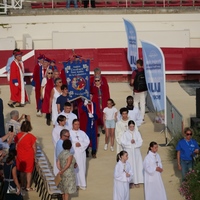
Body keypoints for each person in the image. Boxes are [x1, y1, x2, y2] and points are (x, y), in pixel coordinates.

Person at [14, 120, 37, 191]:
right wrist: (35, 155)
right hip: (29, 156)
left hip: (20, 155)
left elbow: (16, 146)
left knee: (22, 171)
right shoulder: (31, 137)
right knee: (29, 172)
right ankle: (28, 186)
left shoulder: (18, 135)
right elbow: (34, 148)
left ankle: (22, 185)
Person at [120, 120, 143, 188]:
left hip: (136, 151)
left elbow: (140, 141)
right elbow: (123, 142)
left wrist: (135, 143)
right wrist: (130, 142)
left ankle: (137, 181)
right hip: (129, 151)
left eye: (133, 126)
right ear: (128, 126)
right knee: (130, 166)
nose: (132, 128)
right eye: (130, 127)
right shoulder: (125, 133)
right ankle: (130, 181)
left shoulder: (137, 133)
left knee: (136, 165)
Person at [70, 119, 90, 190]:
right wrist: (75, 144)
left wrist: (80, 144)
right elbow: (67, 143)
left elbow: (87, 141)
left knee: (82, 167)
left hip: (81, 153)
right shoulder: (69, 133)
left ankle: (82, 183)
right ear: (72, 124)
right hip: (73, 153)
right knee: (73, 168)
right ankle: (75, 184)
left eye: (78, 124)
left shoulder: (82, 133)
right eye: (75, 124)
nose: (77, 126)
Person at [81, 94, 98, 158]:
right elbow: (81, 111)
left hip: (93, 122)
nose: (90, 97)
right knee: (86, 137)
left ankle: (93, 152)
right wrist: (84, 105)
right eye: (89, 96)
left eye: (91, 96)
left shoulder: (94, 104)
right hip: (86, 123)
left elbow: (97, 113)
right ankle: (86, 151)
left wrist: (94, 116)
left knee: (93, 138)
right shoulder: (84, 104)